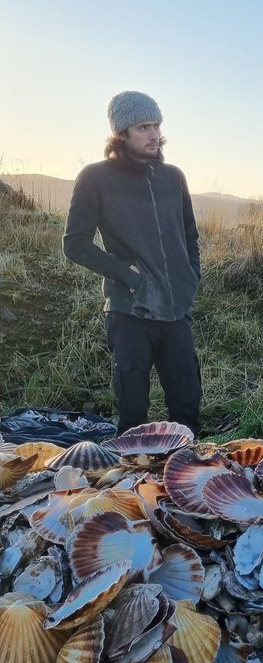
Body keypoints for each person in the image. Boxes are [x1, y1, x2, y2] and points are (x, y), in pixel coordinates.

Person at [63, 91, 202, 436]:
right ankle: (130, 488)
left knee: (187, 411)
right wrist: (128, 276)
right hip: (129, 313)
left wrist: (189, 278)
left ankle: (185, 483)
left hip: (175, 312)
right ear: (121, 133)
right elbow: (74, 244)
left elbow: (190, 236)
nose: (154, 134)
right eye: (143, 127)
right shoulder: (96, 178)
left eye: (156, 125)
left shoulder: (174, 177)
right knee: (132, 417)